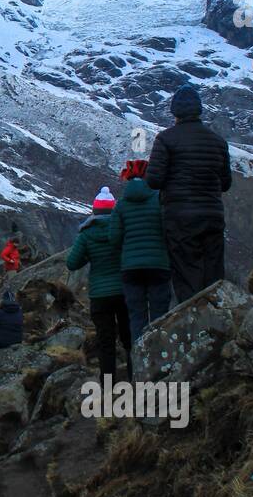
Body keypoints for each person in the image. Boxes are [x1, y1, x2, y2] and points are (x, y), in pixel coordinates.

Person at [144, 85, 232, 304]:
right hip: (212, 215)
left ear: (174, 112)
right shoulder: (218, 141)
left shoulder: (165, 139)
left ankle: (193, 325)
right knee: (213, 273)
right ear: (199, 110)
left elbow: (154, 181)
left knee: (186, 273)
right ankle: (218, 323)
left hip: (180, 218)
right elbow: (226, 183)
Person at [66, 186, 132, 388]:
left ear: (94, 210)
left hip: (100, 294)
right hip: (124, 291)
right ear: (113, 210)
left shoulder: (87, 234)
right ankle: (136, 378)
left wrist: (89, 254)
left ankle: (108, 386)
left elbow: (72, 263)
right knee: (129, 337)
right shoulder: (122, 229)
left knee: (106, 341)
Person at [108, 160, 171, 343]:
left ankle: (140, 360)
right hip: (159, 264)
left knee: (137, 316)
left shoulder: (120, 205)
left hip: (131, 268)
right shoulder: (159, 198)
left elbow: (114, 238)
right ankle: (162, 358)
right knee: (161, 314)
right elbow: (168, 228)